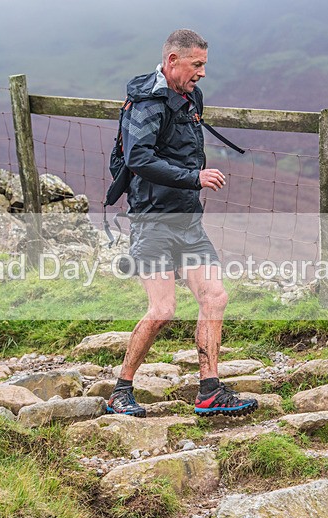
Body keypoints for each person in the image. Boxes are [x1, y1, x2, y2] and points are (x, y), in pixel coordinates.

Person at [106, 29, 259, 418]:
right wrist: (195, 178)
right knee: (162, 310)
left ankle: (209, 389)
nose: (203, 73)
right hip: (153, 220)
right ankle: (120, 390)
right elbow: (138, 159)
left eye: (204, 64)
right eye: (197, 64)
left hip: (187, 220)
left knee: (215, 297)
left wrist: (192, 184)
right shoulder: (146, 104)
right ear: (173, 61)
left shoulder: (191, 97)